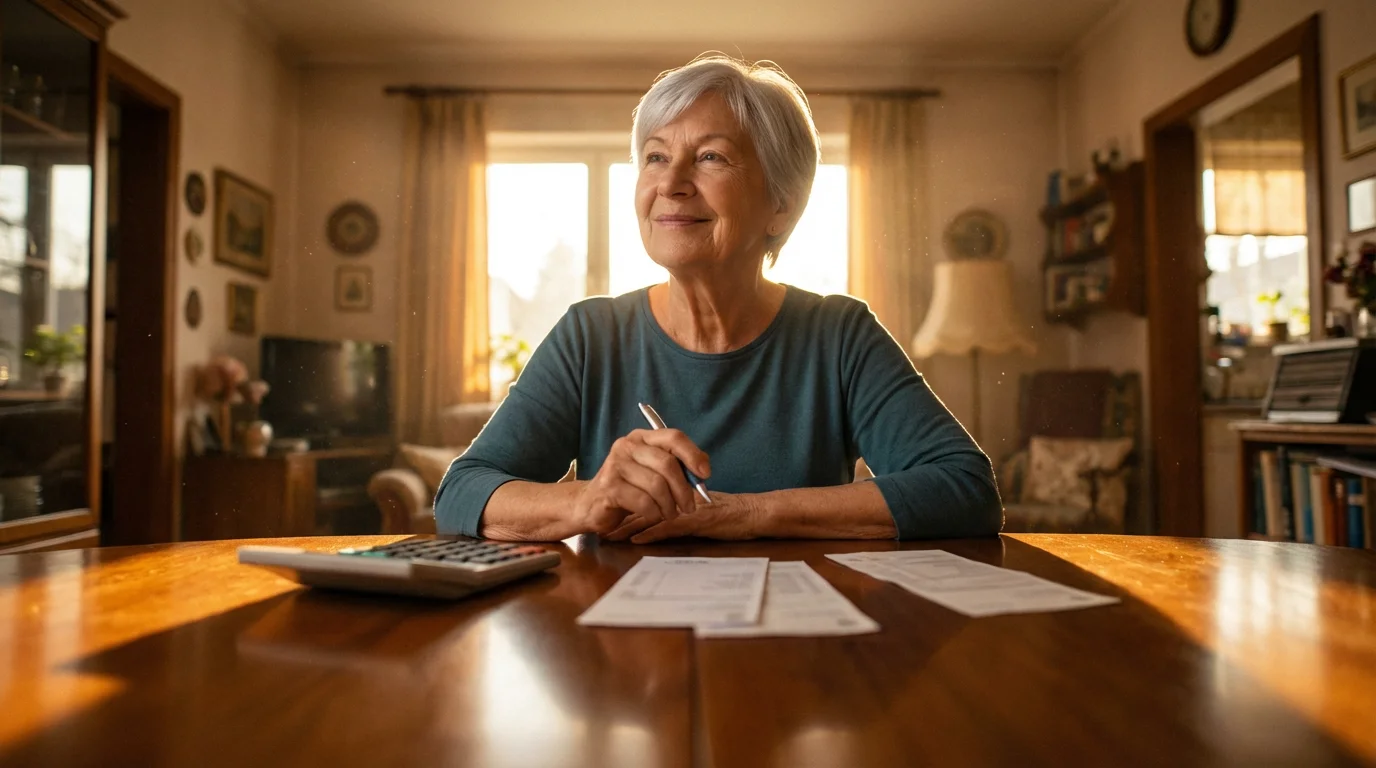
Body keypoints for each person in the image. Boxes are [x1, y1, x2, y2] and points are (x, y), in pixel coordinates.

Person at [436, 54, 1002, 543]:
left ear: (780, 203)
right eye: (656, 157)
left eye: (710, 157)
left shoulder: (839, 334)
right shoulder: (591, 335)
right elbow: (463, 491)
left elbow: (965, 488)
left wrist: (745, 513)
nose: (671, 182)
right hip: (624, 644)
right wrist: (585, 502)